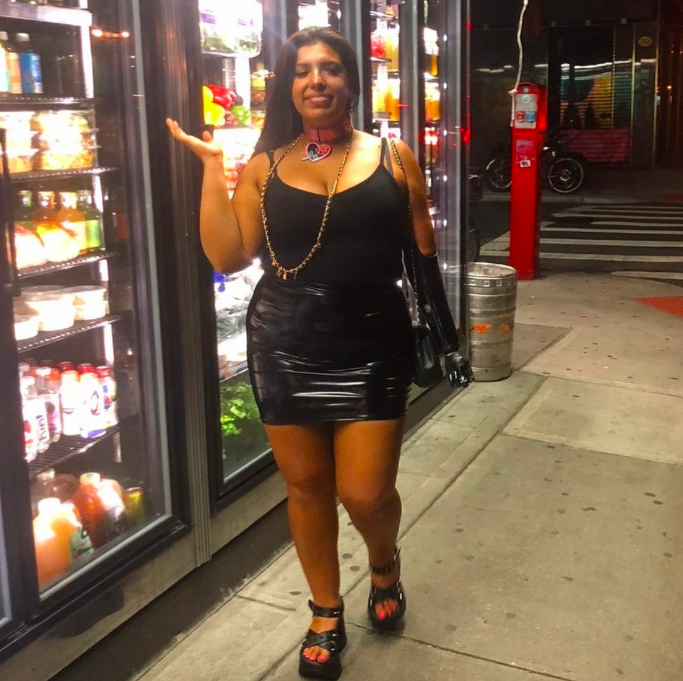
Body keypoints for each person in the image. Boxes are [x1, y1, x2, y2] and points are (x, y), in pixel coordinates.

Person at [167, 26, 473, 681]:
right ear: (287, 86)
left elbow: (422, 257)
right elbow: (227, 255)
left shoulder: (393, 158)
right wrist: (212, 169)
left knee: (365, 493)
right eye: (302, 70)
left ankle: (383, 563)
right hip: (283, 343)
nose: (316, 80)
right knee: (306, 488)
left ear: (351, 81)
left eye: (329, 68)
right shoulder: (265, 166)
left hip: (373, 343)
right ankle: (325, 611)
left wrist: (448, 341)